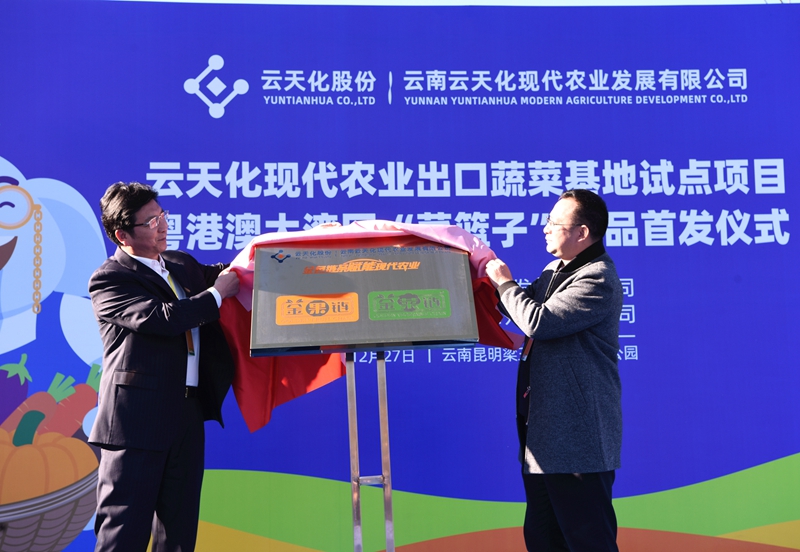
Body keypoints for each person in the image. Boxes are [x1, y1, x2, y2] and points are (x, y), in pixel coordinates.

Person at [88, 182, 240, 552]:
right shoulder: (110, 279)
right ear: (122, 235)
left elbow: (235, 273)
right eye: (151, 222)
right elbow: (163, 318)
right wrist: (217, 294)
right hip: (136, 423)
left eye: (162, 216)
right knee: (123, 533)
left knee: (179, 533)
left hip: (187, 413)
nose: (162, 226)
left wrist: (292, 248)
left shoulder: (180, 264)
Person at [485, 189, 623, 552]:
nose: (545, 229)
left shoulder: (597, 278)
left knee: (587, 540)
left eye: (553, 223)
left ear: (582, 232)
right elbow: (514, 307)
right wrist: (481, 279)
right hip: (543, 434)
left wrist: (504, 281)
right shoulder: (555, 271)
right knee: (543, 538)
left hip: (576, 439)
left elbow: (538, 321)